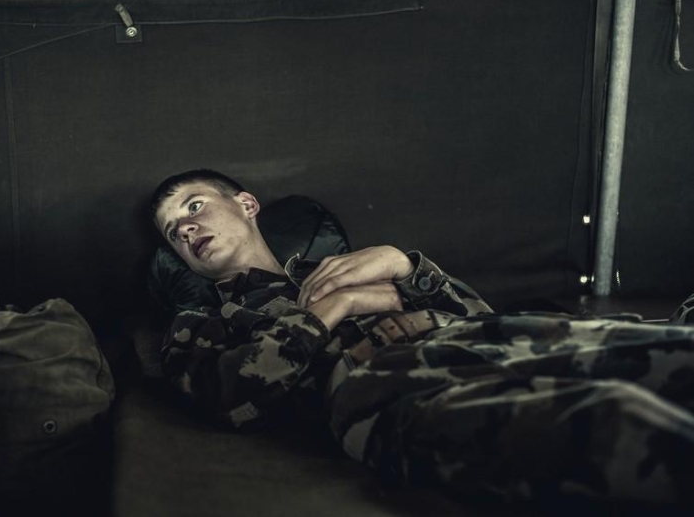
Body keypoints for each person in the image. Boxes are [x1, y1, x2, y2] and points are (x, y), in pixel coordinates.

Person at [151, 168, 694, 506]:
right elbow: (234, 397)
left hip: (483, 337)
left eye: (193, 206)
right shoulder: (198, 322)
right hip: (384, 385)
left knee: (673, 353)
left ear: (245, 204)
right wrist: (339, 306)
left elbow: (478, 313)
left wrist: (408, 267)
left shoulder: (341, 263)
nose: (187, 229)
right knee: (619, 424)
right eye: (175, 232)